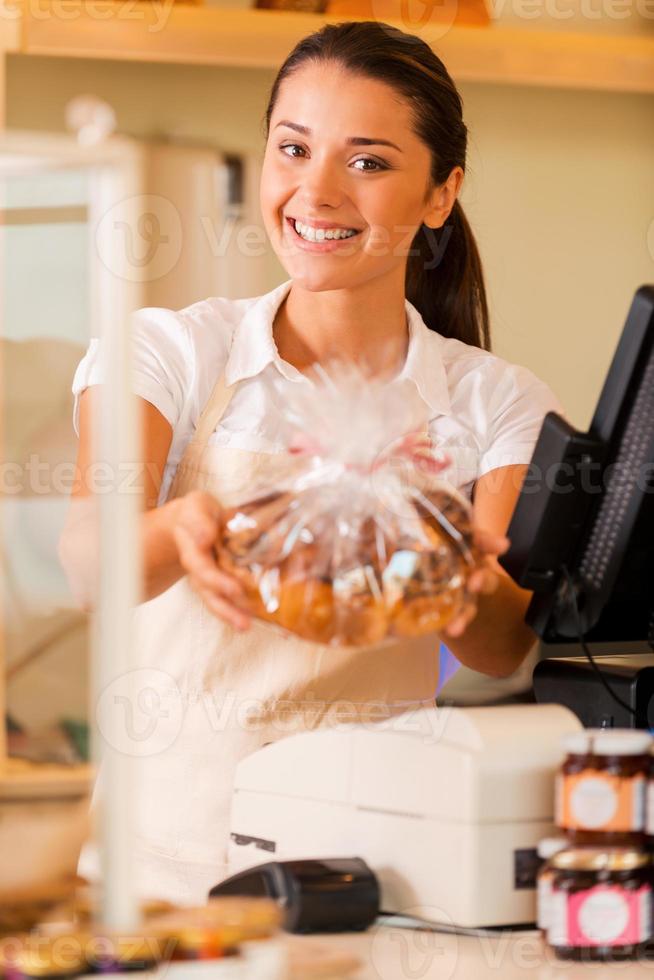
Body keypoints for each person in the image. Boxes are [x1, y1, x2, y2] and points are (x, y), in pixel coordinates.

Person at [61, 20, 564, 904]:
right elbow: (83, 566)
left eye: (367, 163)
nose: (316, 191)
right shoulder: (171, 353)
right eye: (293, 149)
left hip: (374, 881)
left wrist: (440, 565)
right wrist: (182, 529)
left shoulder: (495, 400)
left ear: (441, 194)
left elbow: (500, 646)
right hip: (161, 876)